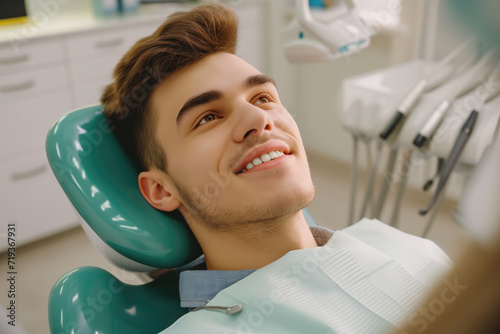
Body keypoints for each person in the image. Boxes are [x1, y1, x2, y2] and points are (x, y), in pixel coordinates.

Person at [101, 2, 452, 333]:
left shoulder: (392, 242)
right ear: (162, 190)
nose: (259, 119)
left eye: (263, 98)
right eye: (207, 117)